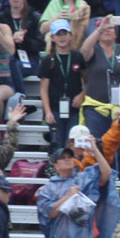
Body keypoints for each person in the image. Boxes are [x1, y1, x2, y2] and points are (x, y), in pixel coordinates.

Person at [36, 141, 118, 238]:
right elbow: (49, 213)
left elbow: (106, 173)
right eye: (63, 157)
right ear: (55, 165)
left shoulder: (83, 178)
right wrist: (69, 196)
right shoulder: (48, 188)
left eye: (70, 156)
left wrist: (95, 151)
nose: (68, 159)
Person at [39, 19, 87, 150]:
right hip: (55, 108)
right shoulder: (48, 60)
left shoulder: (77, 57)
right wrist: (47, 111)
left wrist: (82, 95)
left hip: (74, 108)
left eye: (64, 33)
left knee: (72, 143)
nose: (62, 37)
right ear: (53, 38)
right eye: (58, 34)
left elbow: (87, 81)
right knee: (58, 144)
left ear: (70, 35)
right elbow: (43, 90)